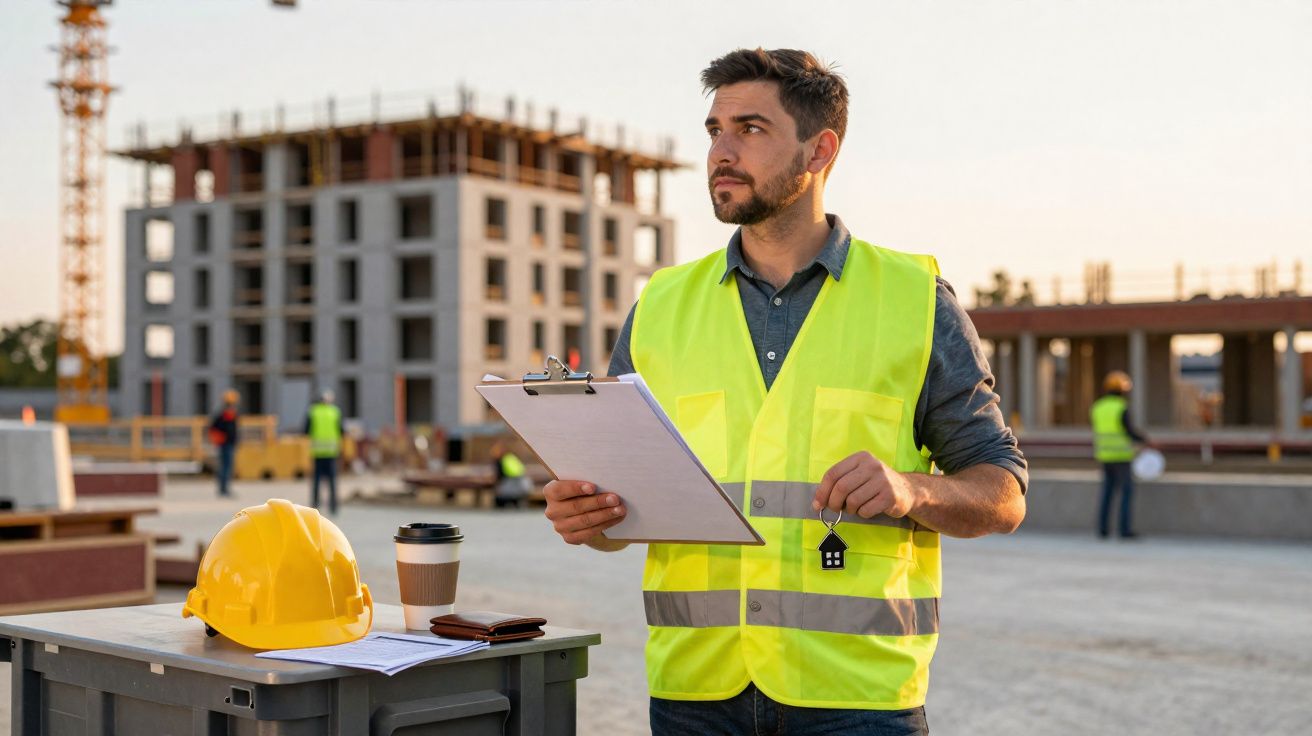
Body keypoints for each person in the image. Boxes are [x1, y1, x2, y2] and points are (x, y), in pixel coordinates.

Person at [542, 48, 1028, 735]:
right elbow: (623, 511)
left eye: (751, 129)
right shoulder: (661, 307)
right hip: (694, 692)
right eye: (715, 131)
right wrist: (589, 519)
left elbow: (1002, 493)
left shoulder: (915, 301)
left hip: (857, 700)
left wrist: (912, 490)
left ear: (819, 150)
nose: (722, 151)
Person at [1091, 370, 1150, 539]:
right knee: (1126, 493)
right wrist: (1145, 439)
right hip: (1122, 457)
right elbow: (1129, 431)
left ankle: (1103, 529)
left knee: (1107, 493)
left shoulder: (1098, 407)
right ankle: (1124, 530)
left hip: (1104, 456)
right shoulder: (1121, 407)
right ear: (1122, 389)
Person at [305, 389, 343, 515]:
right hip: (331, 452)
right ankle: (333, 507)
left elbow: (306, 430)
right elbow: (341, 430)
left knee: (316, 480)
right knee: (332, 481)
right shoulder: (335, 411)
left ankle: (315, 506)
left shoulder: (313, 411)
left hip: (318, 452)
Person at [208, 390, 239, 498]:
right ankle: (223, 489)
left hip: (228, 443)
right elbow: (214, 428)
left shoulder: (230, 414)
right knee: (225, 467)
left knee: (226, 466)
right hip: (225, 444)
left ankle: (224, 488)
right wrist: (219, 439)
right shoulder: (224, 415)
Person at [490, 441, 531, 509]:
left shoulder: (501, 460)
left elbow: (500, 475)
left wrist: (496, 483)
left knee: (499, 497)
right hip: (520, 483)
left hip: (510, 483)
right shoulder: (511, 457)